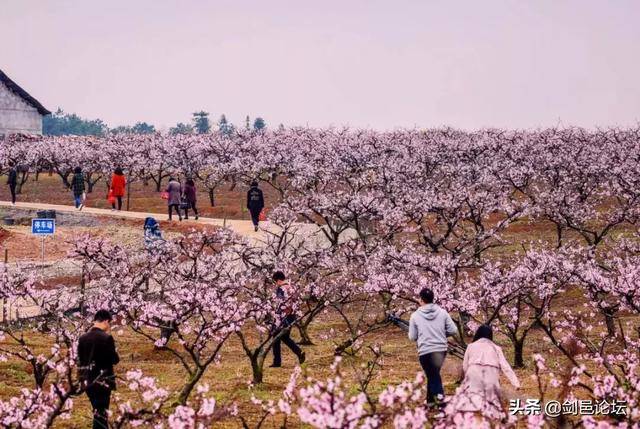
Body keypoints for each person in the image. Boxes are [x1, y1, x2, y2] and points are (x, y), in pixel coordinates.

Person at [452, 325, 520, 414]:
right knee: (492, 402)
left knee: (471, 399)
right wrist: (515, 383)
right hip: (491, 374)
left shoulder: (471, 346)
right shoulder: (496, 348)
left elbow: (465, 366)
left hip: (473, 373)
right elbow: (505, 366)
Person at [408, 288, 458, 405]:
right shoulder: (442, 312)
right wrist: (441, 334)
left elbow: (412, 337)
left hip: (425, 350)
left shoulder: (415, 316)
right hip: (441, 350)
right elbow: (453, 330)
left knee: (433, 375)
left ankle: (441, 403)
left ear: (421, 300)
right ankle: (431, 402)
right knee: (433, 373)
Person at [77, 309, 120, 429]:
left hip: (87, 381)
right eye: (109, 323)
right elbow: (114, 360)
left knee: (98, 412)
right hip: (103, 381)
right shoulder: (106, 338)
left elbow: (80, 360)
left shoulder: (82, 338)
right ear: (106, 321)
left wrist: (81, 380)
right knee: (101, 414)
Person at [270, 271, 306, 368]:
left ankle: (278, 361)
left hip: (283, 316)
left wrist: (277, 316)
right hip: (291, 315)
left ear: (278, 280)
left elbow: (281, 303)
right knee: (283, 337)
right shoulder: (291, 288)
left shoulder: (281, 288)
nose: (275, 284)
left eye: (275, 281)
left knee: (277, 336)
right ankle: (298, 353)